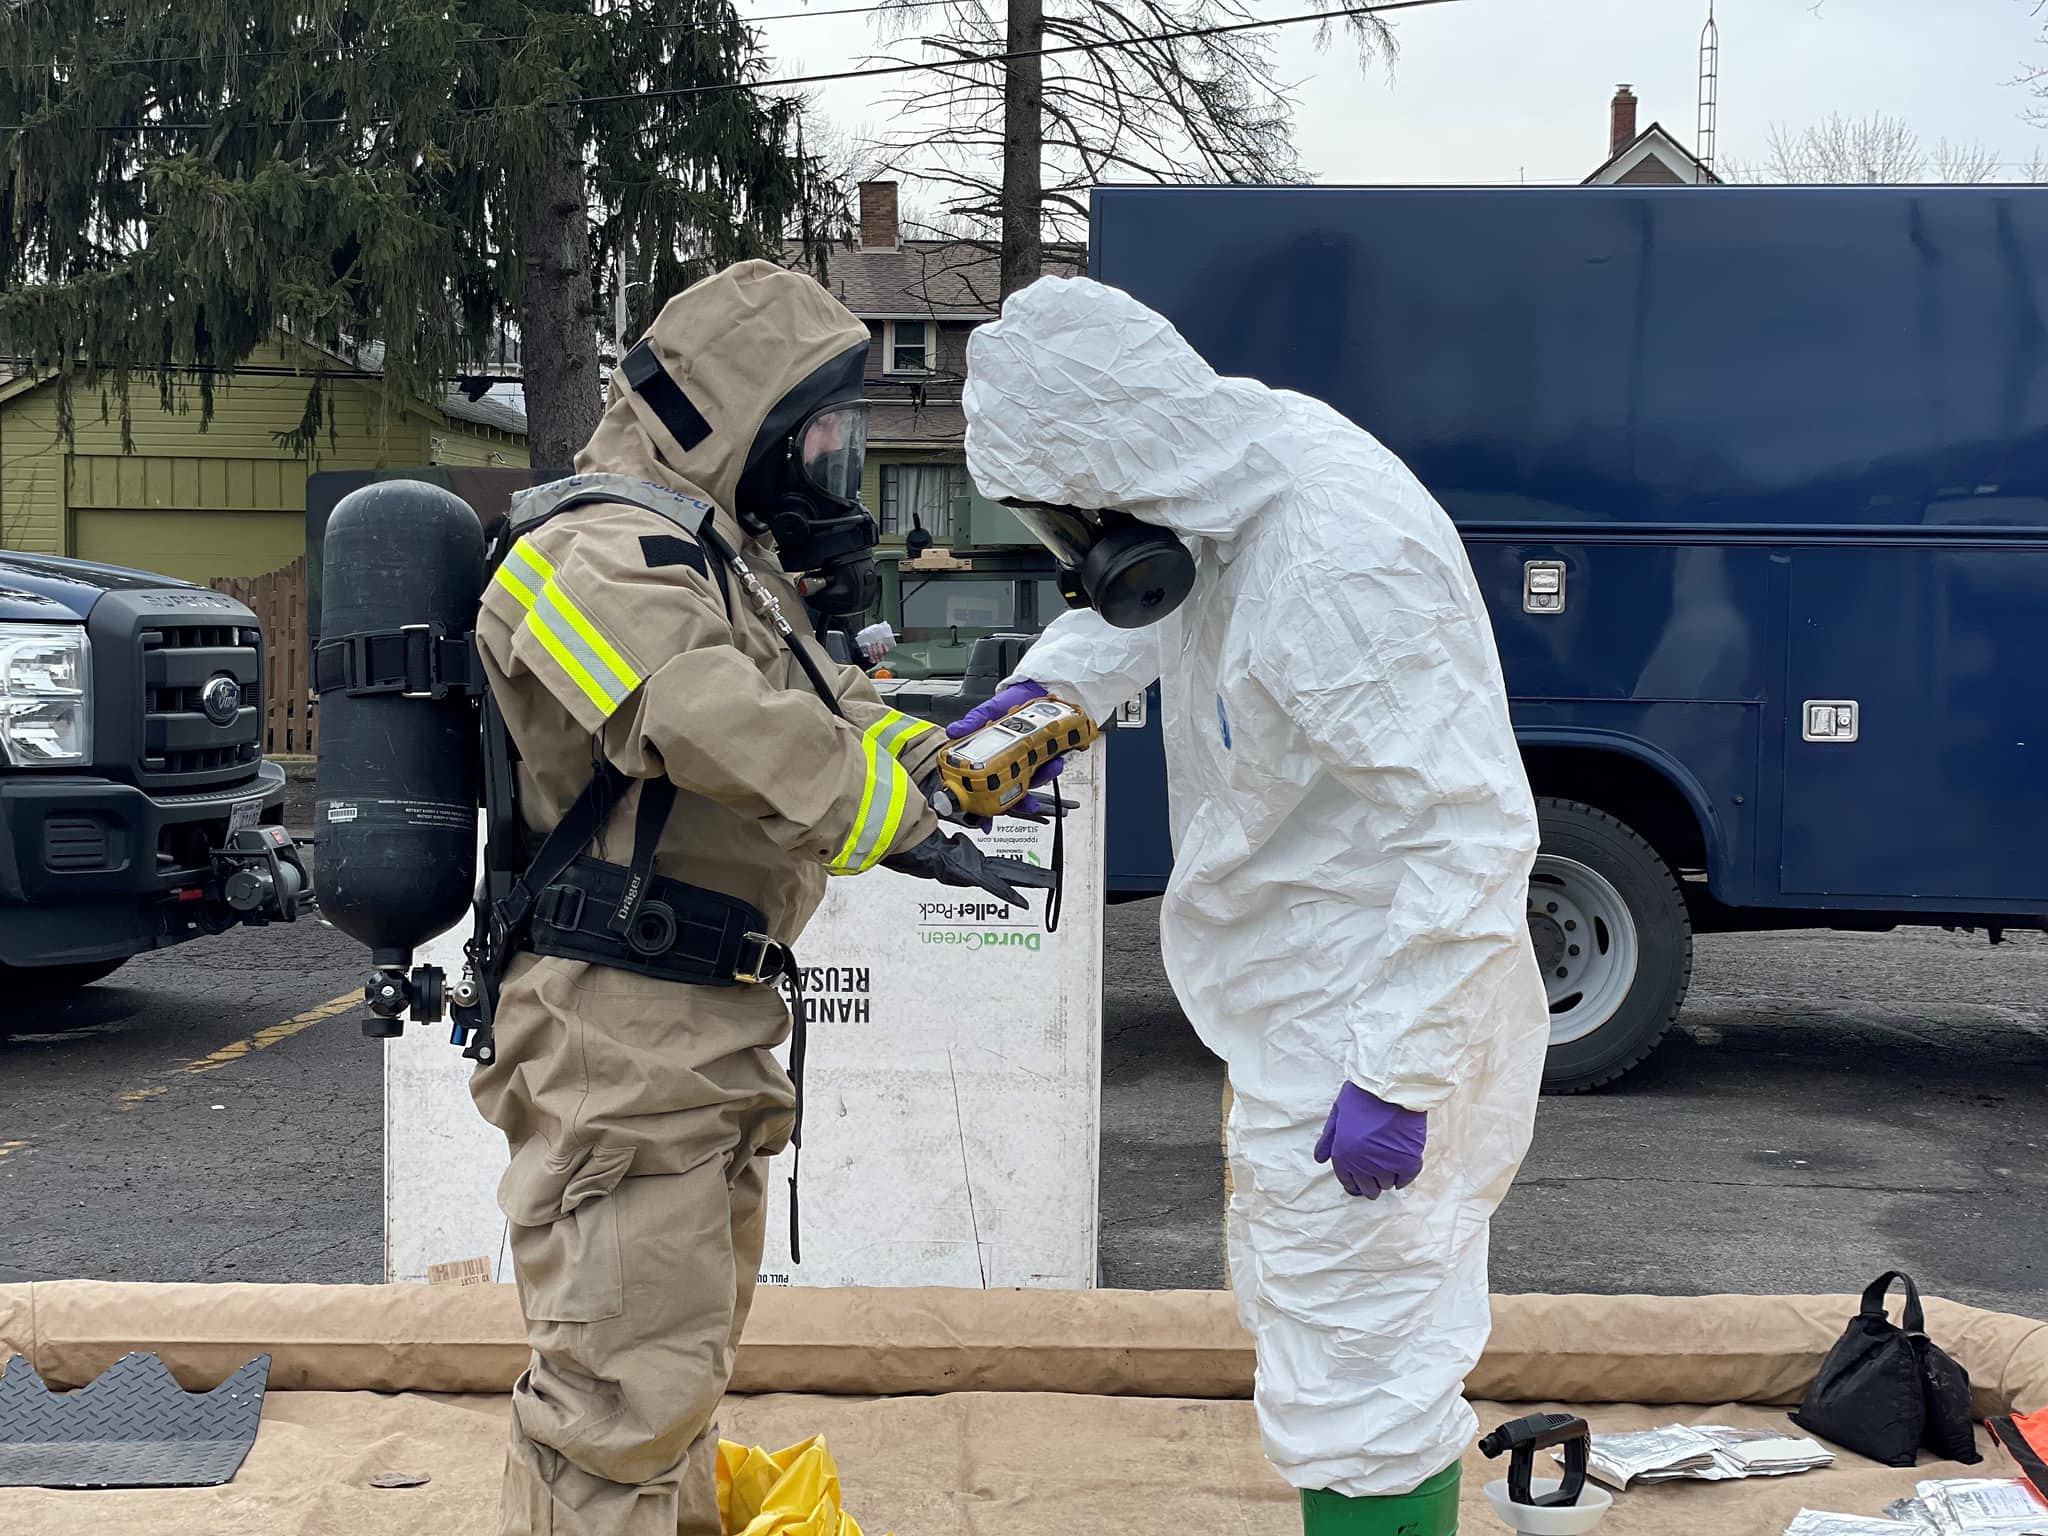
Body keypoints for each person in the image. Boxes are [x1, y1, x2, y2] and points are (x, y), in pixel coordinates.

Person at [951, 276, 1548, 1535]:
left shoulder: (1335, 568)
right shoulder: (1223, 461)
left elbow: (1472, 827)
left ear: (1117, 486)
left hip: (1378, 1002)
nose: (1080, 563)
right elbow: (1158, 600)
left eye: (1069, 534)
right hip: (1294, 988)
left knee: (1362, 1355)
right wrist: (1045, 702)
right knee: (1309, 1319)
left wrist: (1396, 1070)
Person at [470, 259, 1047, 1536]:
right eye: (815, 439)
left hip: (697, 1024)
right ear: (724, 419)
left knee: (668, 1383)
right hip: (616, 1028)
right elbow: (683, 708)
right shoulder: (574, 558)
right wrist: (870, 809)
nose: (830, 474)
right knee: (617, 1404)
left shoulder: (708, 563)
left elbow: (809, 703)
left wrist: (933, 769)